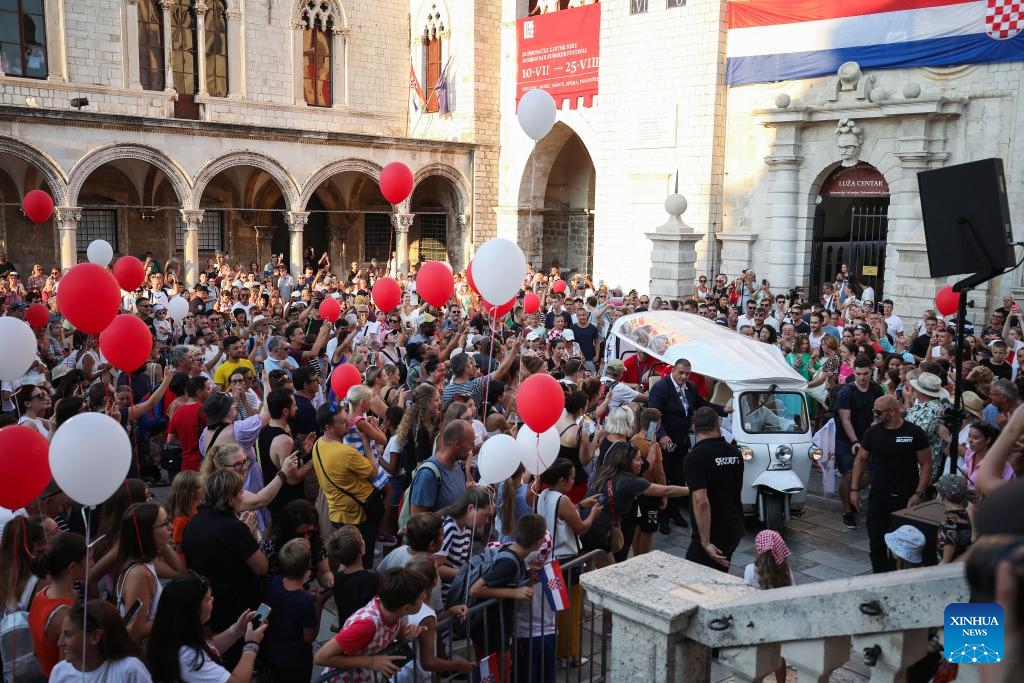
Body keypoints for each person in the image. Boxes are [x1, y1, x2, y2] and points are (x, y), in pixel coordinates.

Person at [180, 470, 268, 663]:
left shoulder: (194, 522)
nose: (243, 496)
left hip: (208, 606)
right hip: (234, 610)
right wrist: (251, 536)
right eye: (240, 492)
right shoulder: (235, 529)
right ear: (230, 499)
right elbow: (262, 567)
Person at [851, 395, 931, 573]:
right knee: (876, 542)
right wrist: (854, 489)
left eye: (878, 412)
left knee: (904, 545)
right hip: (879, 496)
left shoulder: (915, 432)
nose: (875, 415)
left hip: (906, 497)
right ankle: (880, 577)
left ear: (893, 411)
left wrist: (919, 493)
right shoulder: (872, 433)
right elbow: (860, 459)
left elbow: (926, 464)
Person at [313, 567, 430, 681]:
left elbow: (397, 633)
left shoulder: (394, 611)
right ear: (406, 608)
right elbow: (321, 657)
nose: (425, 597)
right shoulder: (366, 625)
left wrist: (407, 632)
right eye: (421, 598)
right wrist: (371, 661)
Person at [147, 572, 267, 683]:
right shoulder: (189, 657)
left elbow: (209, 649)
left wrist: (236, 631)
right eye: (208, 598)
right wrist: (251, 645)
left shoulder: (175, 634)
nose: (213, 599)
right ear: (193, 610)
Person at [650, 358, 722, 527]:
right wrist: (661, 435)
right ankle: (663, 517)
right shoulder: (661, 387)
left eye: (687, 374)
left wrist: (722, 410)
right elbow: (653, 413)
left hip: (682, 439)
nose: (684, 377)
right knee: (664, 478)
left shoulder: (690, 387)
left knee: (679, 477)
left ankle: (675, 513)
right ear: (673, 370)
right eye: (681, 373)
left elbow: (701, 404)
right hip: (666, 440)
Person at [311, 401, 381, 566]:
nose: (348, 424)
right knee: (363, 560)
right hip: (358, 516)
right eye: (342, 422)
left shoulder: (318, 444)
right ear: (328, 427)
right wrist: (366, 443)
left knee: (348, 561)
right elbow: (374, 473)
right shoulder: (346, 452)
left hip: (337, 514)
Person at [114, 502, 186, 643]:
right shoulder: (139, 574)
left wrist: (161, 542)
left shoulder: (145, 563)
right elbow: (135, 631)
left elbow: (179, 570)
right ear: (146, 532)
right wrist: (172, 615)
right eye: (165, 524)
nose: (171, 527)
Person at [684, 407, 745, 571]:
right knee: (719, 573)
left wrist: (705, 542)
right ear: (718, 426)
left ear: (694, 428)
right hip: (734, 524)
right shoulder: (734, 452)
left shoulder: (695, 458)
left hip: (713, 531)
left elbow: (701, 502)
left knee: (695, 577)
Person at [263, 538, 331, 682]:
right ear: (309, 566)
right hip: (296, 660)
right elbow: (309, 637)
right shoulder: (305, 602)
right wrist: (318, 604)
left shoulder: (275, 581)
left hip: (274, 651)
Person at [834, 356, 884, 529]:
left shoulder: (876, 389)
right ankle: (847, 511)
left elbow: (879, 411)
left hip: (868, 436)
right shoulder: (846, 392)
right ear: (854, 372)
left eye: (866, 374)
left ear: (871, 372)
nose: (862, 377)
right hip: (846, 439)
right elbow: (845, 419)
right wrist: (855, 441)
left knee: (868, 473)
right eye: (859, 374)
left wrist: (876, 424)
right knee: (849, 473)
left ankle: (851, 495)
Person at [29, 533, 87, 678]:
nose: (92, 564)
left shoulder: (42, 594)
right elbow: (66, 672)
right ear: (72, 567)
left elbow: (37, 650)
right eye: (89, 559)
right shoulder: (65, 616)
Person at [49, 600, 152, 682]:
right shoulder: (59, 672)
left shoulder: (129, 670)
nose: (60, 643)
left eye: (68, 634)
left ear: (95, 637)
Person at [326, 525, 380, 627]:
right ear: (362, 549)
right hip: (365, 630)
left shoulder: (338, 578)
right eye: (361, 538)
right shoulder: (372, 579)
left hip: (346, 628)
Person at [934, 474, 972, 564]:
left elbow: (950, 545)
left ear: (942, 497)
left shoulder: (949, 521)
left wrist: (942, 565)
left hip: (951, 565)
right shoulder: (963, 512)